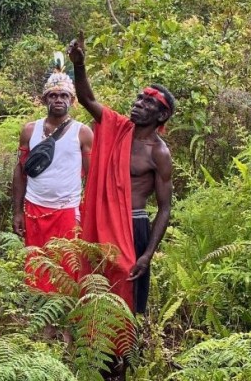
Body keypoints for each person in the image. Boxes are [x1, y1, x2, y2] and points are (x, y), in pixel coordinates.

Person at [68, 32, 174, 379]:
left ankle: (119, 370)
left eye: (148, 102)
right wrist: (79, 65)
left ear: (160, 115)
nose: (138, 103)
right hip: (100, 226)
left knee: (125, 305)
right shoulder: (116, 126)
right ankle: (94, 365)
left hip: (133, 229)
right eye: (139, 97)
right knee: (96, 298)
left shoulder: (158, 153)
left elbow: (165, 208)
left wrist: (148, 255)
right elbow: (85, 98)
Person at [12, 55, 93, 292]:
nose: (58, 100)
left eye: (64, 95)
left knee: (68, 268)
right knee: (37, 267)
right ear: (44, 99)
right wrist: (17, 211)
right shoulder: (30, 130)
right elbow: (20, 171)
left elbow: (92, 177)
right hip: (34, 208)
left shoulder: (83, 133)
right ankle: (43, 324)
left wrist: (88, 214)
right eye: (53, 96)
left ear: (73, 101)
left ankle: (66, 325)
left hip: (67, 210)